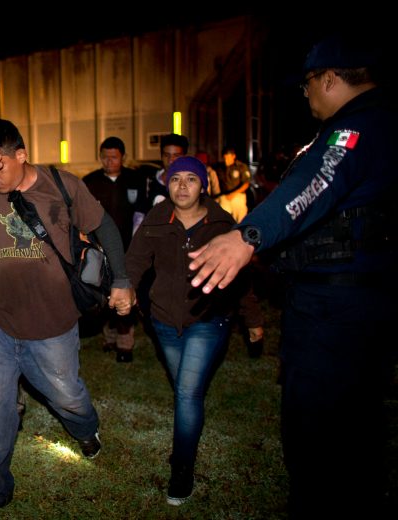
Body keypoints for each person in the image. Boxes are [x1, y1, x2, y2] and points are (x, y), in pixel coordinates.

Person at [187, 36, 395, 518]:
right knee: (356, 425)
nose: (305, 94)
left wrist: (247, 237)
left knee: (319, 433)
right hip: (350, 303)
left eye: (307, 84)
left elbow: (316, 183)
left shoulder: (356, 129)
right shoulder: (377, 122)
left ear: (329, 78)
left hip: (336, 311)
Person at [0, 118, 135, 519]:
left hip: (53, 325)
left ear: (22, 155)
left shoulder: (61, 185)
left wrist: (121, 279)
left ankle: (86, 430)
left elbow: (106, 228)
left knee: (66, 395)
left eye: (0, 168)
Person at [125, 156, 263, 506]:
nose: (182, 186)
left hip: (208, 318)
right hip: (164, 321)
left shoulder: (222, 223)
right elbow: (136, 261)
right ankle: (189, 434)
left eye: (190, 179)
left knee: (186, 394)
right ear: (166, 184)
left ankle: (182, 468)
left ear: (203, 185)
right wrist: (124, 288)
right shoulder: (157, 218)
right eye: (175, 179)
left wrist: (253, 319)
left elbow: (242, 276)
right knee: (185, 388)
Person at [82, 136, 143, 362]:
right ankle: (108, 336)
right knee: (103, 293)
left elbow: (141, 215)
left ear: (123, 157)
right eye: (105, 157)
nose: (109, 162)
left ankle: (125, 343)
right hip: (99, 249)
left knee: (125, 292)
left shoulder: (135, 180)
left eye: (114, 157)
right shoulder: (90, 182)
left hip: (129, 248)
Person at [212, 146, 251, 223]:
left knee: (240, 221)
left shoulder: (241, 167)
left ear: (233, 156)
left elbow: (246, 184)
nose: (226, 160)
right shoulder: (220, 167)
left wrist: (233, 194)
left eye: (228, 158)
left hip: (238, 196)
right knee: (222, 220)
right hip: (225, 197)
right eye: (225, 158)